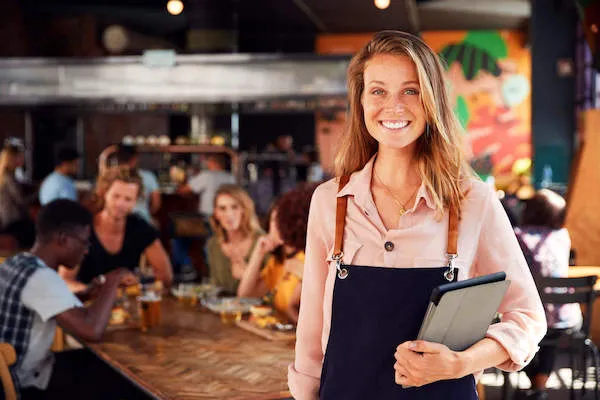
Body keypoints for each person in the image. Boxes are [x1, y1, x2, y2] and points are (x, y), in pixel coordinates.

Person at [288, 31, 546, 400]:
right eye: (378, 91)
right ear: (360, 101)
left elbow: (528, 318)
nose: (393, 106)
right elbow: (311, 332)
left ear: (432, 101)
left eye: (410, 90)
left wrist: (462, 363)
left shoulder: (473, 201)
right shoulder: (331, 201)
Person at [0, 199, 142, 399]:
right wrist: (114, 279)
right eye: (84, 242)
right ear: (63, 239)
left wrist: (87, 293)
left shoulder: (16, 262)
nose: (85, 250)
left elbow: (47, 303)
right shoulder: (42, 278)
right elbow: (92, 331)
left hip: (14, 372)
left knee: (99, 365)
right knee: (126, 384)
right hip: (25, 384)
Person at [59, 166, 172, 292]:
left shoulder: (140, 228)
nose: (121, 204)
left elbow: (166, 278)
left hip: (124, 306)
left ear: (136, 201)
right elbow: (64, 281)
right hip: (86, 304)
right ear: (104, 193)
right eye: (116, 196)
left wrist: (138, 282)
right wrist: (92, 292)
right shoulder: (81, 229)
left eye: (128, 199)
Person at [515, 189, 582, 400]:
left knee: (513, 333)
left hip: (529, 315)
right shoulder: (562, 236)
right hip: (565, 317)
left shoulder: (518, 236)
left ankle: (536, 388)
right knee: (548, 336)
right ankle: (539, 389)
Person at [238, 185, 316, 323]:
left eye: (284, 220)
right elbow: (246, 295)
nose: (279, 226)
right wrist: (259, 252)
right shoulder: (279, 261)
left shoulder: (307, 258)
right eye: (275, 220)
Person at [205, 184, 264, 294]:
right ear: (216, 213)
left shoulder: (262, 242)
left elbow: (273, 289)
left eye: (235, 207)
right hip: (222, 309)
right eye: (222, 208)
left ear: (244, 209)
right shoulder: (213, 244)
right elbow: (214, 288)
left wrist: (248, 275)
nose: (229, 214)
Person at [114, 144, 161, 224]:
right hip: (142, 219)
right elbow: (156, 204)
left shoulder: (111, 177)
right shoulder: (148, 177)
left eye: (128, 199)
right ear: (135, 158)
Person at [0, 142, 35, 248]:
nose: (23, 159)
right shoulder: (8, 177)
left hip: (7, 220)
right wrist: (36, 195)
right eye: (21, 156)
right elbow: (21, 201)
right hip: (13, 222)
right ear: (13, 158)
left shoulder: (7, 175)